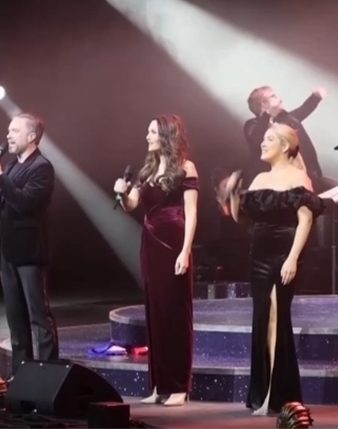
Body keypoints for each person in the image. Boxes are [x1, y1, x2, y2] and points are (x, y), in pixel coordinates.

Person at [218, 123, 323, 416]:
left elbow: (305, 221)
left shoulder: (299, 177)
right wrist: (233, 194)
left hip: (284, 253)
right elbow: (241, 219)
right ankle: (264, 391)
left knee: (276, 318)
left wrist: (292, 258)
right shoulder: (260, 178)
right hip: (259, 255)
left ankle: (274, 395)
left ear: (285, 146)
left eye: (269, 139)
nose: (262, 143)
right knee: (262, 318)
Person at [113, 115, 199, 407]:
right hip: (150, 243)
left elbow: (191, 212)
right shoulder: (147, 170)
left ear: (166, 134)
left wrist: (185, 250)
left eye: (152, 131)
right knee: (155, 313)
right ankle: (159, 385)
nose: (147, 136)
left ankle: (179, 386)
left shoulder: (185, 168)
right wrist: (122, 194)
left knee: (176, 314)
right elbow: (132, 205)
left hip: (173, 242)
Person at [0, 113, 59, 376]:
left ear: (31, 136)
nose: (8, 135)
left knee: (38, 317)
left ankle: (49, 375)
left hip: (30, 253)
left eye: (14, 131)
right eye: (8, 130)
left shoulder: (42, 167)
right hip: (8, 254)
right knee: (15, 320)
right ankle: (21, 375)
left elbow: (25, 203)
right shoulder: (11, 167)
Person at [243, 86, 326, 181]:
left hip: (312, 176)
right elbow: (255, 141)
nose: (280, 100)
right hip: (287, 182)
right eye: (273, 96)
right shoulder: (252, 125)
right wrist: (267, 113)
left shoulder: (287, 118)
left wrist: (316, 97)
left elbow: (303, 110)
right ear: (263, 105)